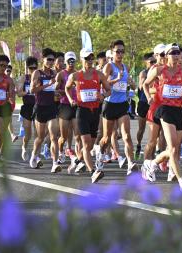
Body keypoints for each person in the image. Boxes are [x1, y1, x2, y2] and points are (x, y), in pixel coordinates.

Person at [140, 44, 182, 190]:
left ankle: (152, 163)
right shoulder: (159, 70)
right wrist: (148, 98)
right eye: (173, 53)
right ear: (166, 55)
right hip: (165, 110)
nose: (176, 55)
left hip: (180, 110)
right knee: (172, 148)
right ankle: (181, 181)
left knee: (175, 149)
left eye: (178, 53)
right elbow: (145, 84)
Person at [65, 48, 112, 183]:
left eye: (92, 58)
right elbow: (67, 88)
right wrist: (70, 99)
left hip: (95, 112)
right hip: (82, 111)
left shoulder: (99, 75)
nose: (90, 61)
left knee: (90, 146)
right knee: (86, 144)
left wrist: (103, 95)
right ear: (81, 59)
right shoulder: (75, 76)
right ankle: (94, 172)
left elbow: (109, 90)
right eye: (87, 58)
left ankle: (77, 160)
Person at [99, 39, 138, 175]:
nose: (120, 54)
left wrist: (132, 84)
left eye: (122, 51)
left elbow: (130, 85)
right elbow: (103, 83)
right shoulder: (109, 67)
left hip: (122, 105)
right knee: (106, 137)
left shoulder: (125, 67)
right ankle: (100, 155)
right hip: (109, 105)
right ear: (112, 52)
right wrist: (116, 79)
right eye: (118, 51)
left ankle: (130, 163)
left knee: (126, 136)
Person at [30, 48, 60, 171]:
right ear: (43, 59)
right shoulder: (37, 73)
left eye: (53, 60)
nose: (51, 62)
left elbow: (53, 89)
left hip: (51, 107)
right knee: (40, 137)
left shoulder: (54, 73)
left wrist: (57, 92)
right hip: (40, 108)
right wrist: (48, 84)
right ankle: (34, 155)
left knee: (54, 137)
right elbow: (32, 90)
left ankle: (55, 163)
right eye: (49, 59)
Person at [56, 51, 79, 163]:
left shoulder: (78, 74)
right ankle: (61, 153)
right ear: (65, 62)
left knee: (78, 135)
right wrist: (65, 91)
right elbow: (55, 90)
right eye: (69, 60)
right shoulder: (61, 74)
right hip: (64, 106)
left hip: (76, 106)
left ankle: (78, 160)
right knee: (63, 137)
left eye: (73, 60)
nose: (71, 62)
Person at [16, 57, 38, 161]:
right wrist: (29, 91)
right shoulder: (23, 78)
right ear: (27, 68)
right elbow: (19, 93)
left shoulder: (39, 77)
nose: (33, 70)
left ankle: (35, 155)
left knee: (37, 133)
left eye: (35, 67)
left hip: (38, 106)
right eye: (31, 68)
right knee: (28, 133)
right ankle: (24, 147)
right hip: (27, 107)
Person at [135, 52, 155, 159]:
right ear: (146, 63)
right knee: (141, 129)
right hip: (143, 103)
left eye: (154, 62)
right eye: (151, 62)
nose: (153, 64)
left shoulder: (158, 72)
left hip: (153, 104)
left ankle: (151, 153)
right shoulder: (143, 73)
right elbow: (141, 87)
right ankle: (138, 145)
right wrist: (147, 80)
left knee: (154, 129)